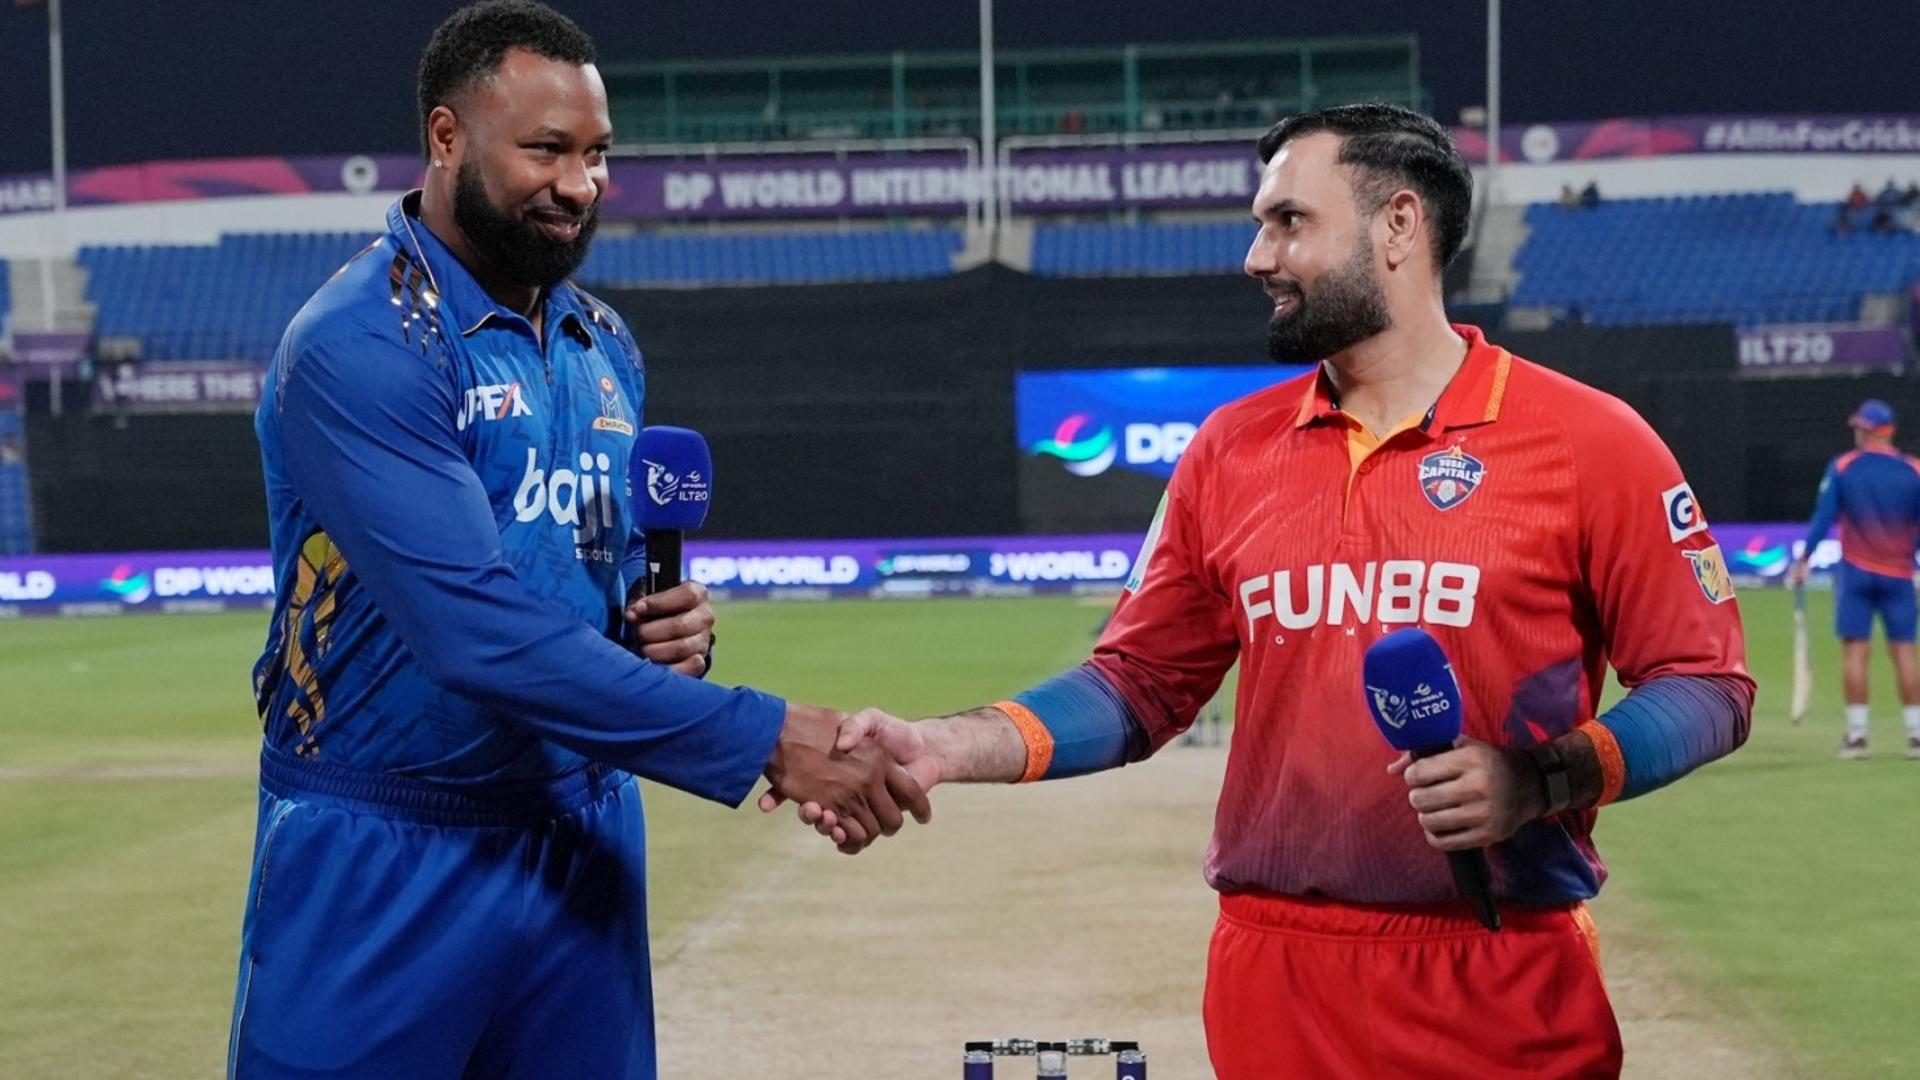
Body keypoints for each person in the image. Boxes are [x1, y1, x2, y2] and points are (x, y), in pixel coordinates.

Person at [784, 104, 1754, 1076]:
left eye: (1289, 222)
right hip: (1272, 977)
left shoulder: (1589, 441)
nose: (1257, 257)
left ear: (1398, 225)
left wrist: (1541, 778)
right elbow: (1136, 685)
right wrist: (947, 745)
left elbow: (1708, 684)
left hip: (1497, 974)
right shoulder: (1228, 450)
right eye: (1260, 225)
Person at [230, 4, 927, 1077]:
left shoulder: (603, 342)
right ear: (447, 136)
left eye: (597, 154)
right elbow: (473, 632)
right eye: (546, 150)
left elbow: (592, 567)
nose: (580, 183)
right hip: (385, 855)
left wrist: (664, 628)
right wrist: (766, 736)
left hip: (583, 835)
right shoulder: (362, 343)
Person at [1787, 399, 1920, 759]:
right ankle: (1916, 736)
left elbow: (1823, 518)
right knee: (1905, 652)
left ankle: (1858, 737)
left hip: (1857, 573)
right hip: (1899, 574)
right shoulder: (1913, 470)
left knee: (1856, 652)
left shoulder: (1844, 467)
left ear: (1869, 430)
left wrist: (1804, 560)